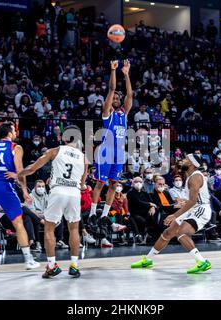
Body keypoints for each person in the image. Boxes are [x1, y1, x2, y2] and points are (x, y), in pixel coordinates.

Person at [6, 125, 87, 279]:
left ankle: (51, 266)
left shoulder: (54, 151)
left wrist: (18, 174)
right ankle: (74, 266)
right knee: (74, 229)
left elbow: (32, 169)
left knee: (49, 228)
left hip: (58, 192)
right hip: (74, 193)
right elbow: (82, 185)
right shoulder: (84, 158)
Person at [0, 122, 40, 278]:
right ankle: (28, 260)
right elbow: (20, 171)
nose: (16, 132)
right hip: (4, 185)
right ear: (10, 132)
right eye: (14, 130)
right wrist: (24, 191)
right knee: (18, 223)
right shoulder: (15, 147)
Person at [131, 154, 212, 274]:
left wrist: (175, 215)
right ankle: (147, 260)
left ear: (191, 163)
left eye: (186, 159)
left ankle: (201, 261)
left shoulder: (195, 177)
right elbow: (191, 199)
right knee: (168, 233)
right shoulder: (189, 176)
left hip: (201, 209)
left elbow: (194, 201)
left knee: (181, 233)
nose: (183, 161)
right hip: (193, 208)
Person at [89, 60, 132, 238]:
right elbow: (111, 89)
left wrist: (127, 74)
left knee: (114, 184)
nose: (115, 99)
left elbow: (130, 94)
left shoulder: (124, 114)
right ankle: (92, 213)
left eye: (117, 99)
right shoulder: (109, 114)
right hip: (105, 152)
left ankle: (105, 215)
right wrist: (113, 70)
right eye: (113, 98)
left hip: (119, 154)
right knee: (100, 183)